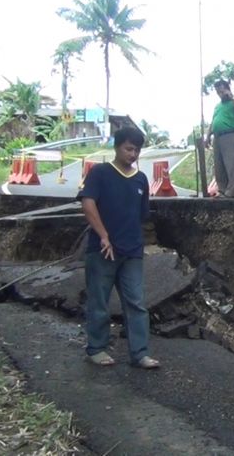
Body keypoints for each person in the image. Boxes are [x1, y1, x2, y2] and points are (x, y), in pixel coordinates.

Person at [78, 126, 160, 369]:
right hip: (103, 249)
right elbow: (88, 204)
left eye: (137, 150)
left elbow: (141, 214)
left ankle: (140, 353)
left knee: (136, 302)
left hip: (132, 251)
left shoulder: (140, 179)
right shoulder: (100, 173)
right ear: (117, 147)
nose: (133, 154)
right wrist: (103, 235)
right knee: (99, 300)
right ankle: (96, 348)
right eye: (129, 148)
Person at [205, 79, 234, 198]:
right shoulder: (218, 106)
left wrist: (231, 97)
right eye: (218, 92)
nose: (220, 94)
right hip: (217, 137)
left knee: (231, 164)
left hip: (230, 136)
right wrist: (207, 137)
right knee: (219, 165)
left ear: (227, 89)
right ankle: (222, 190)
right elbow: (213, 122)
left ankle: (230, 191)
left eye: (222, 91)